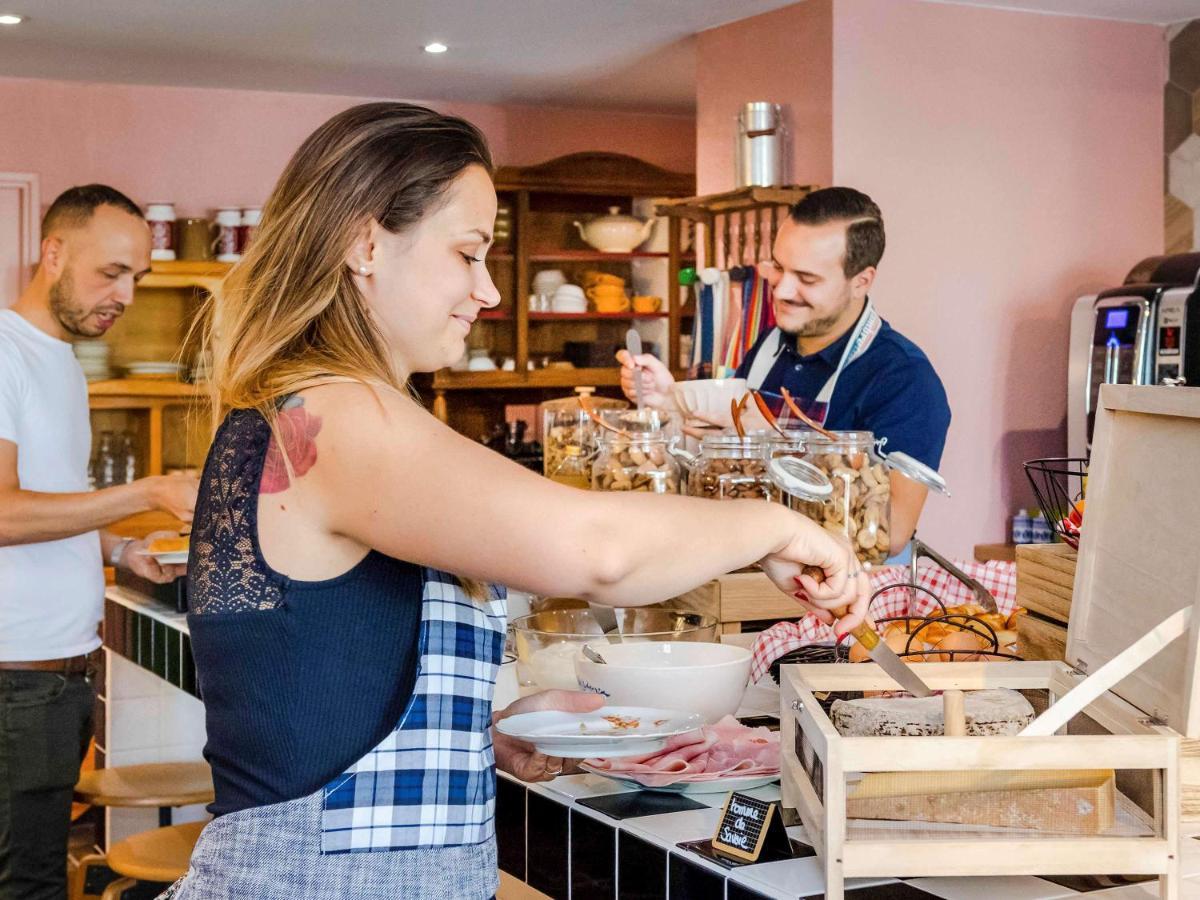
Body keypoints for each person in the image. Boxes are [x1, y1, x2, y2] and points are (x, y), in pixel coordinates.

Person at [161, 102, 868, 900]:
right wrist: (777, 525)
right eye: (467, 254)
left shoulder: (310, 407)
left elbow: (309, 688)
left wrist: (477, 737)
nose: (487, 289)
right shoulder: (339, 412)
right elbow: (595, 550)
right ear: (365, 243)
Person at [0, 185, 198, 900]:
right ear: (53, 253)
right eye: (110, 272)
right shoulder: (4, 352)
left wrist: (116, 548)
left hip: (53, 674)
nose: (125, 295)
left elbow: (48, 499)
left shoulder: (60, 362)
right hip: (15, 678)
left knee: (38, 871)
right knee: (26, 886)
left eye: (136, 278)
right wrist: (147, 493)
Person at [618, 188, 952, 556]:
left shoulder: (905, 380)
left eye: (807, 279)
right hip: (753, 569)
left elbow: (892, 530)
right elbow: (726, 454)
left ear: (862, 280)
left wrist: (780, 444)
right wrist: (670, 400)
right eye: (778, 267)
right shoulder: (770, 343)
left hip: (845, 597)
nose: (782, 290)